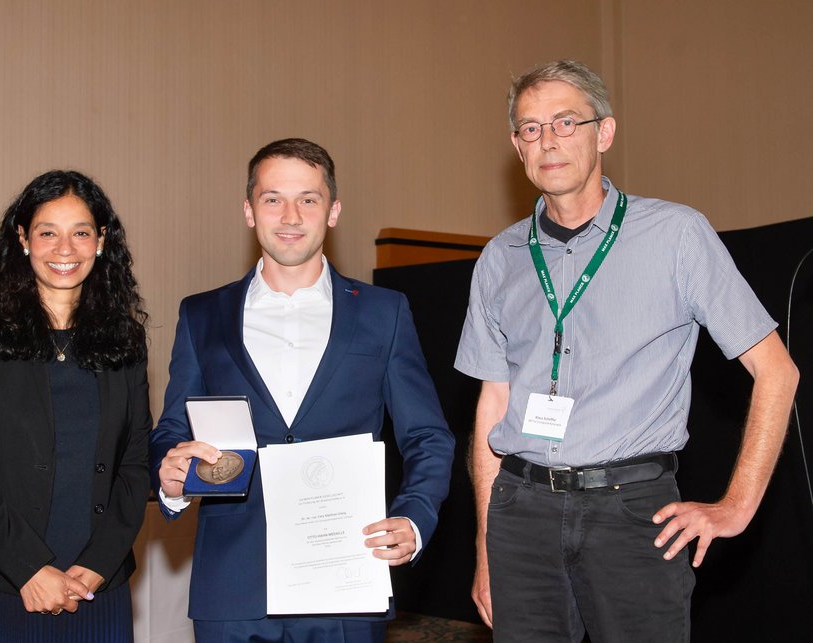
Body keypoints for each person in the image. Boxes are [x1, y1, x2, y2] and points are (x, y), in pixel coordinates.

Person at [455, 59, 799, 642]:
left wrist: (736, 505)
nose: (549, 141)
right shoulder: (500, 257)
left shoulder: (676, 235)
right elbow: (492, 406)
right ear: (518, 145)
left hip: (633, 513)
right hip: (520, 514)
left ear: (604, 132)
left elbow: (777, 372)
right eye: (531, 128)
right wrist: (488, 547)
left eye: (566, 122)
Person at [149, 138, 455, 642]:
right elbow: (172, 429)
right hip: (232, 586)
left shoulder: (384, 312)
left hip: (346, 578)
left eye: (308, 199)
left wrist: (414, 517)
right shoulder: (201, 315)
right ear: (249, 211)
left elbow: (428, 435)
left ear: (332, 211)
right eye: (272, 199)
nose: (290, 215)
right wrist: (170, 474)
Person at [0, 170, 151, 642]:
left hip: (96, 588)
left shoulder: (125, 339)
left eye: (81, 233)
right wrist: (29, 568)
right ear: (23, 239)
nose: (64, 249)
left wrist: (96, 565)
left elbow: (134, 465)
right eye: (48, 232)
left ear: (101, 241)